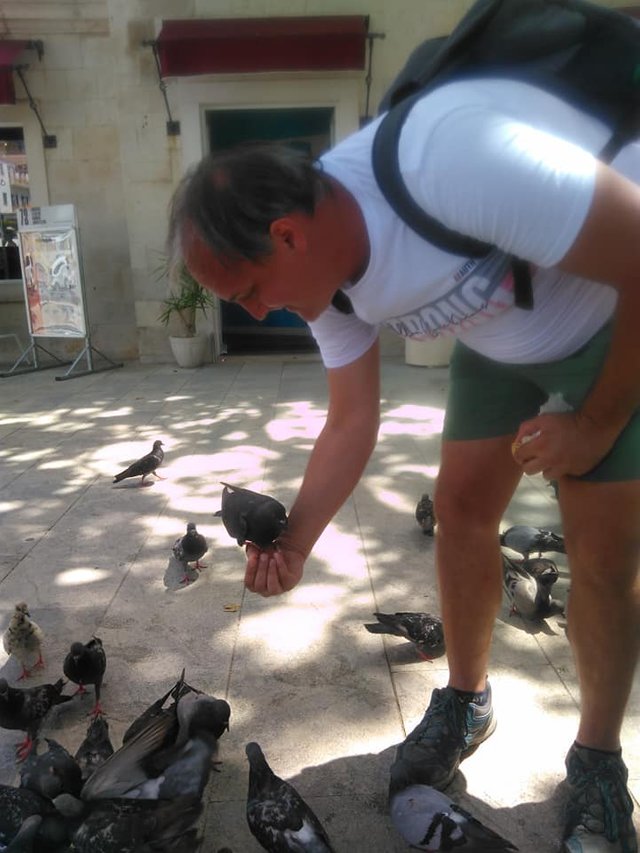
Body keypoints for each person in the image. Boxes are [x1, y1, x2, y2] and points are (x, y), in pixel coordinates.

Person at [167, 73, 640, 852]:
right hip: (495, 333)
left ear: (287, 235)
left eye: (250, 292)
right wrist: (295, 543)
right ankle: (466, 697)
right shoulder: (330, 285)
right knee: (458, 512)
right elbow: (351, 420)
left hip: (608, 321)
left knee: (601, 551)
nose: (254, 314)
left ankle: (597, 758)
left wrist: (592, 424)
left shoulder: (452, 161)